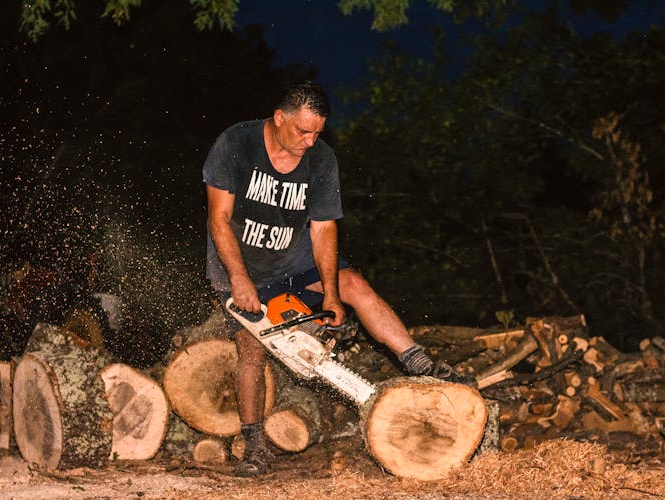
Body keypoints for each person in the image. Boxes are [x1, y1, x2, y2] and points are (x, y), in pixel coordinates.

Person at [203, 81, 474, 477]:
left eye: (317, 132)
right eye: (303, 131)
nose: (310, 141)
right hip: (240, 267)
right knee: (251, 347)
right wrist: (239, 278)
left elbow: (323, 229)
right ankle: (255, 445)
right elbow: (218, 219)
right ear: (280, 118)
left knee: (355, 286)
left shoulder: (322, 159)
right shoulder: (236, 144)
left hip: (294, 259)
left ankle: (424, 367)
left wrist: (331, 294)